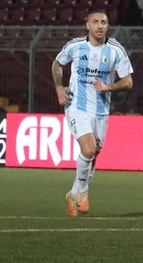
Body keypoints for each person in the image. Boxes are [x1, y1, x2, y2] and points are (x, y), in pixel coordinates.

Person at [53, 11, 135, 217]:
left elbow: (128, 81)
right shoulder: (75, 46)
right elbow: (57, 64)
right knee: (88, 149)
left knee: (94, 153)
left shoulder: (116, 50)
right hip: (76, 107)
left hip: (101, 111)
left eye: (104, 23)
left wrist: (108, 87)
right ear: (87, 25)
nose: (100, 26)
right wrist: (58, 88)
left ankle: (73, 194)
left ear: (108, 26)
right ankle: (82, 191)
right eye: (95, 22)